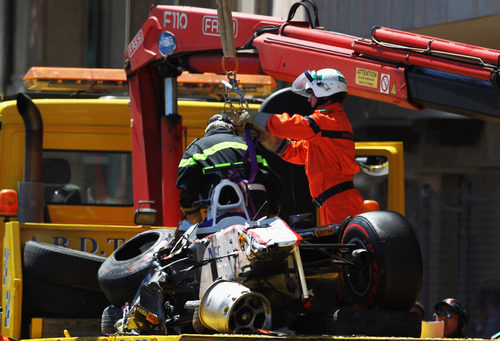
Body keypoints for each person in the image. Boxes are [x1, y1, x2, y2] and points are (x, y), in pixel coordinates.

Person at [235, 68, 364, 225]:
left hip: (338, 203)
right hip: (335, 201)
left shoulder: (327, 121)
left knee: (341, 247)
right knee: (339, 246)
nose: (309, 99)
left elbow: (292, 125)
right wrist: (268, 139)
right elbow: (299, 153)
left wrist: (257, 118)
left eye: (312, 94)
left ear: (324, 91)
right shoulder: (328, 124)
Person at [176, 113, 279, 228]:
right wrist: (272, 213)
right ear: (230, 128)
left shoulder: (196, 148)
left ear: (208, 130)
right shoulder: (250, 146)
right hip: (256, 209)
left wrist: (192, 214)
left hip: (217, 213)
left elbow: (186, 183)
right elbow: (273, 181)